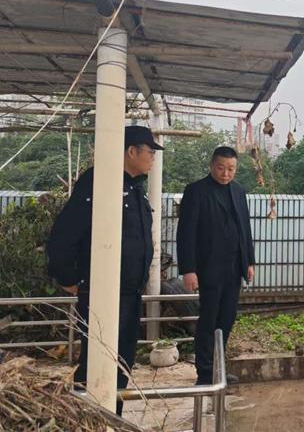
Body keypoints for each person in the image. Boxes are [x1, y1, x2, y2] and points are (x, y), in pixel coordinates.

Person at [46, 125, 161, 415]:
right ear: (131, 151)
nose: (153, 158)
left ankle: (112, 418)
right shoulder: (99, 182)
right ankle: (89, 418)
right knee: (98, 362)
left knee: (122, 361)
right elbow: (64, 235)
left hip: (130, 293)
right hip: (104, 293)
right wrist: (68, 277)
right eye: (150, 151)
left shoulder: (135, 188)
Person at [176, 146, 255, 385]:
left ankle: (218, 367)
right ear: (211, 165)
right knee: (209, 319)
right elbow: (186, 233)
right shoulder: (196, 191)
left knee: (227, 318)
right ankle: (205, 372)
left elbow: (245, 228)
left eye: (231, 169)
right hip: (208, 266)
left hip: (234, 266)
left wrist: (249, 261)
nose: (225, 173)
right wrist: (188, 269)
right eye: (221, 168)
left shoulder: (238, 191)